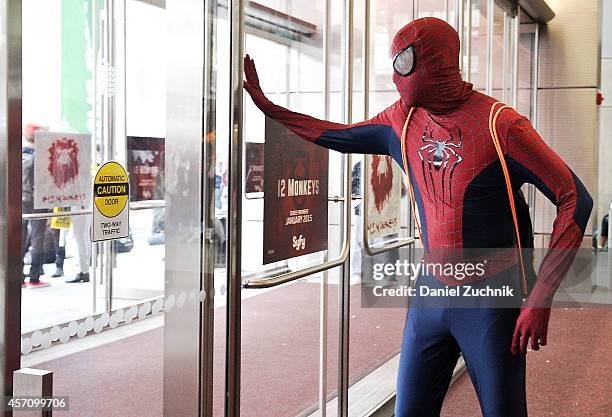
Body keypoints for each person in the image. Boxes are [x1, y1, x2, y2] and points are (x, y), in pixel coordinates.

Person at [243, 17, 592, 417]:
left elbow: (574, 199)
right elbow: (339, 135)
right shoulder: (402, 121)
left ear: (438, 62)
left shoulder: (501, 126)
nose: (395, 75)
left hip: (491, 298)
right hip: (430, 295)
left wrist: (540, 297)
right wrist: (270, 108)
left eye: (404, 61)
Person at [21, 123, 48, 285]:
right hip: (37, 200)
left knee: (21, 236)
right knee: (38, 237)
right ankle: (35, 275)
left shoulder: (19, 152)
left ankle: (19, 275)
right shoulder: (41, 155)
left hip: (20, 199)